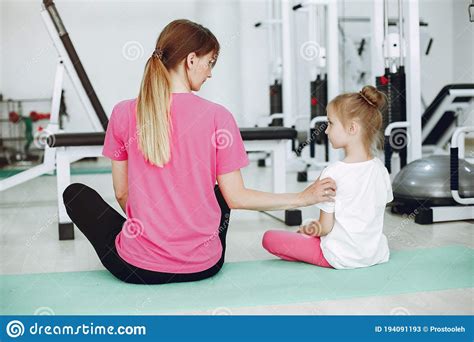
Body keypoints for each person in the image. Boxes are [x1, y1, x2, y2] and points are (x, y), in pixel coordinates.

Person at [62, 19, 336, 285]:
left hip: (137, 269)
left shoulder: (123, 113)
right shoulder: (218, 116)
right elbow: (237, 198)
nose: (210, 72)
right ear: (191, 60)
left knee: (75, 195)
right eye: (210, 62)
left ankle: (147, 244)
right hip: (204, 266)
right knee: (222, 193)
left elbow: (122, 194)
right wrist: (302, 198)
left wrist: (153, 226)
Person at [262, 85, 393, 270]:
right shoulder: (381, 169)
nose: (325, 130)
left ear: (352, 128)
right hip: (375, 255)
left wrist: (309, 229)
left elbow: (325, 227)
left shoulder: (333, 172)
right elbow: (374, 214)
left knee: (269, 238)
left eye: (330, 123)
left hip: (339, 257)